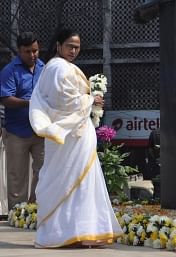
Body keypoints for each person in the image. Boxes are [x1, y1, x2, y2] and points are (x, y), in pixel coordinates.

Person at [29, 29, 122, 248]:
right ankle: (62, 233)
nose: (73, 50)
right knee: (65, 181)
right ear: (58, 45)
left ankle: (82, 231)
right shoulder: (57, 68)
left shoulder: (59, 67)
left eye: (77, 47)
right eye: (70, 46)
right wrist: (91, 99)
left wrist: (89, 100)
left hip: (76, 134)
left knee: (82, 182)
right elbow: (65, 101)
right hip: (67, 135)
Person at [0, 32, 45, 210]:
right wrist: (31, 103)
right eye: (27, 51)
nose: (32, 55)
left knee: (44, 172)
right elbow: (6, 98)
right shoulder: (9, 70)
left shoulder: (44, 68)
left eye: (35, 51)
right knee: (17, 176)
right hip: (16, 131)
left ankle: (36, 211)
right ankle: (17, 214)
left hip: (41, 130)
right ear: (19, 51)